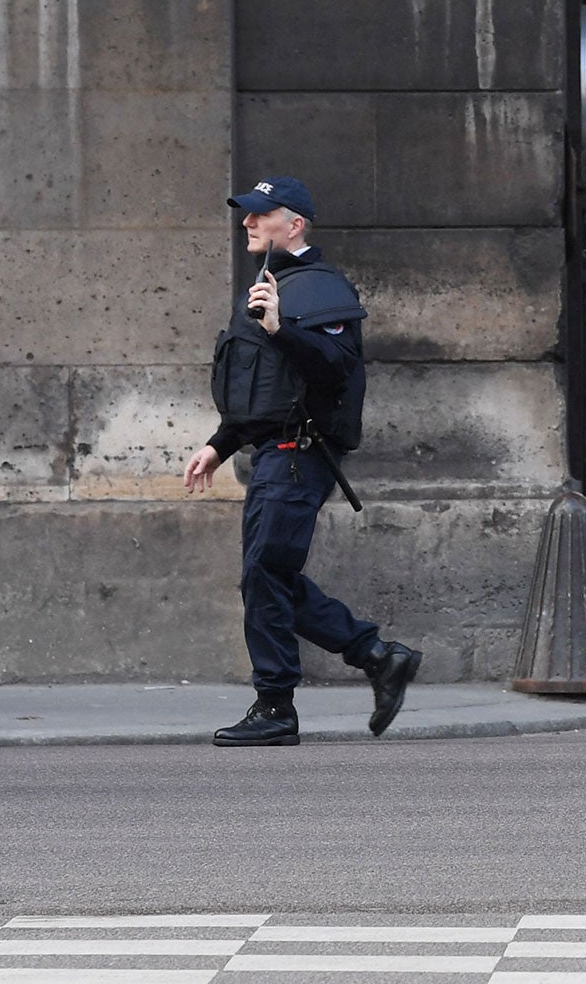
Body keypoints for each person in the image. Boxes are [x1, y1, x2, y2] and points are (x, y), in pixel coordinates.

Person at [183, 176, 421, 747]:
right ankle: (375, 656)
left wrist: (280, 327)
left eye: (260, 215)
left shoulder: (316, 286)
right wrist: (221, 443)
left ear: (294, 225)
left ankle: (277, 707)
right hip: (275, 449)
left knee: (265, 573)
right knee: (269, 574)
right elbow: (265, 389)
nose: (247, 222)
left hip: (301, 453)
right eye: (246, 215)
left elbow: (333, 366)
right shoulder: (272, 284)